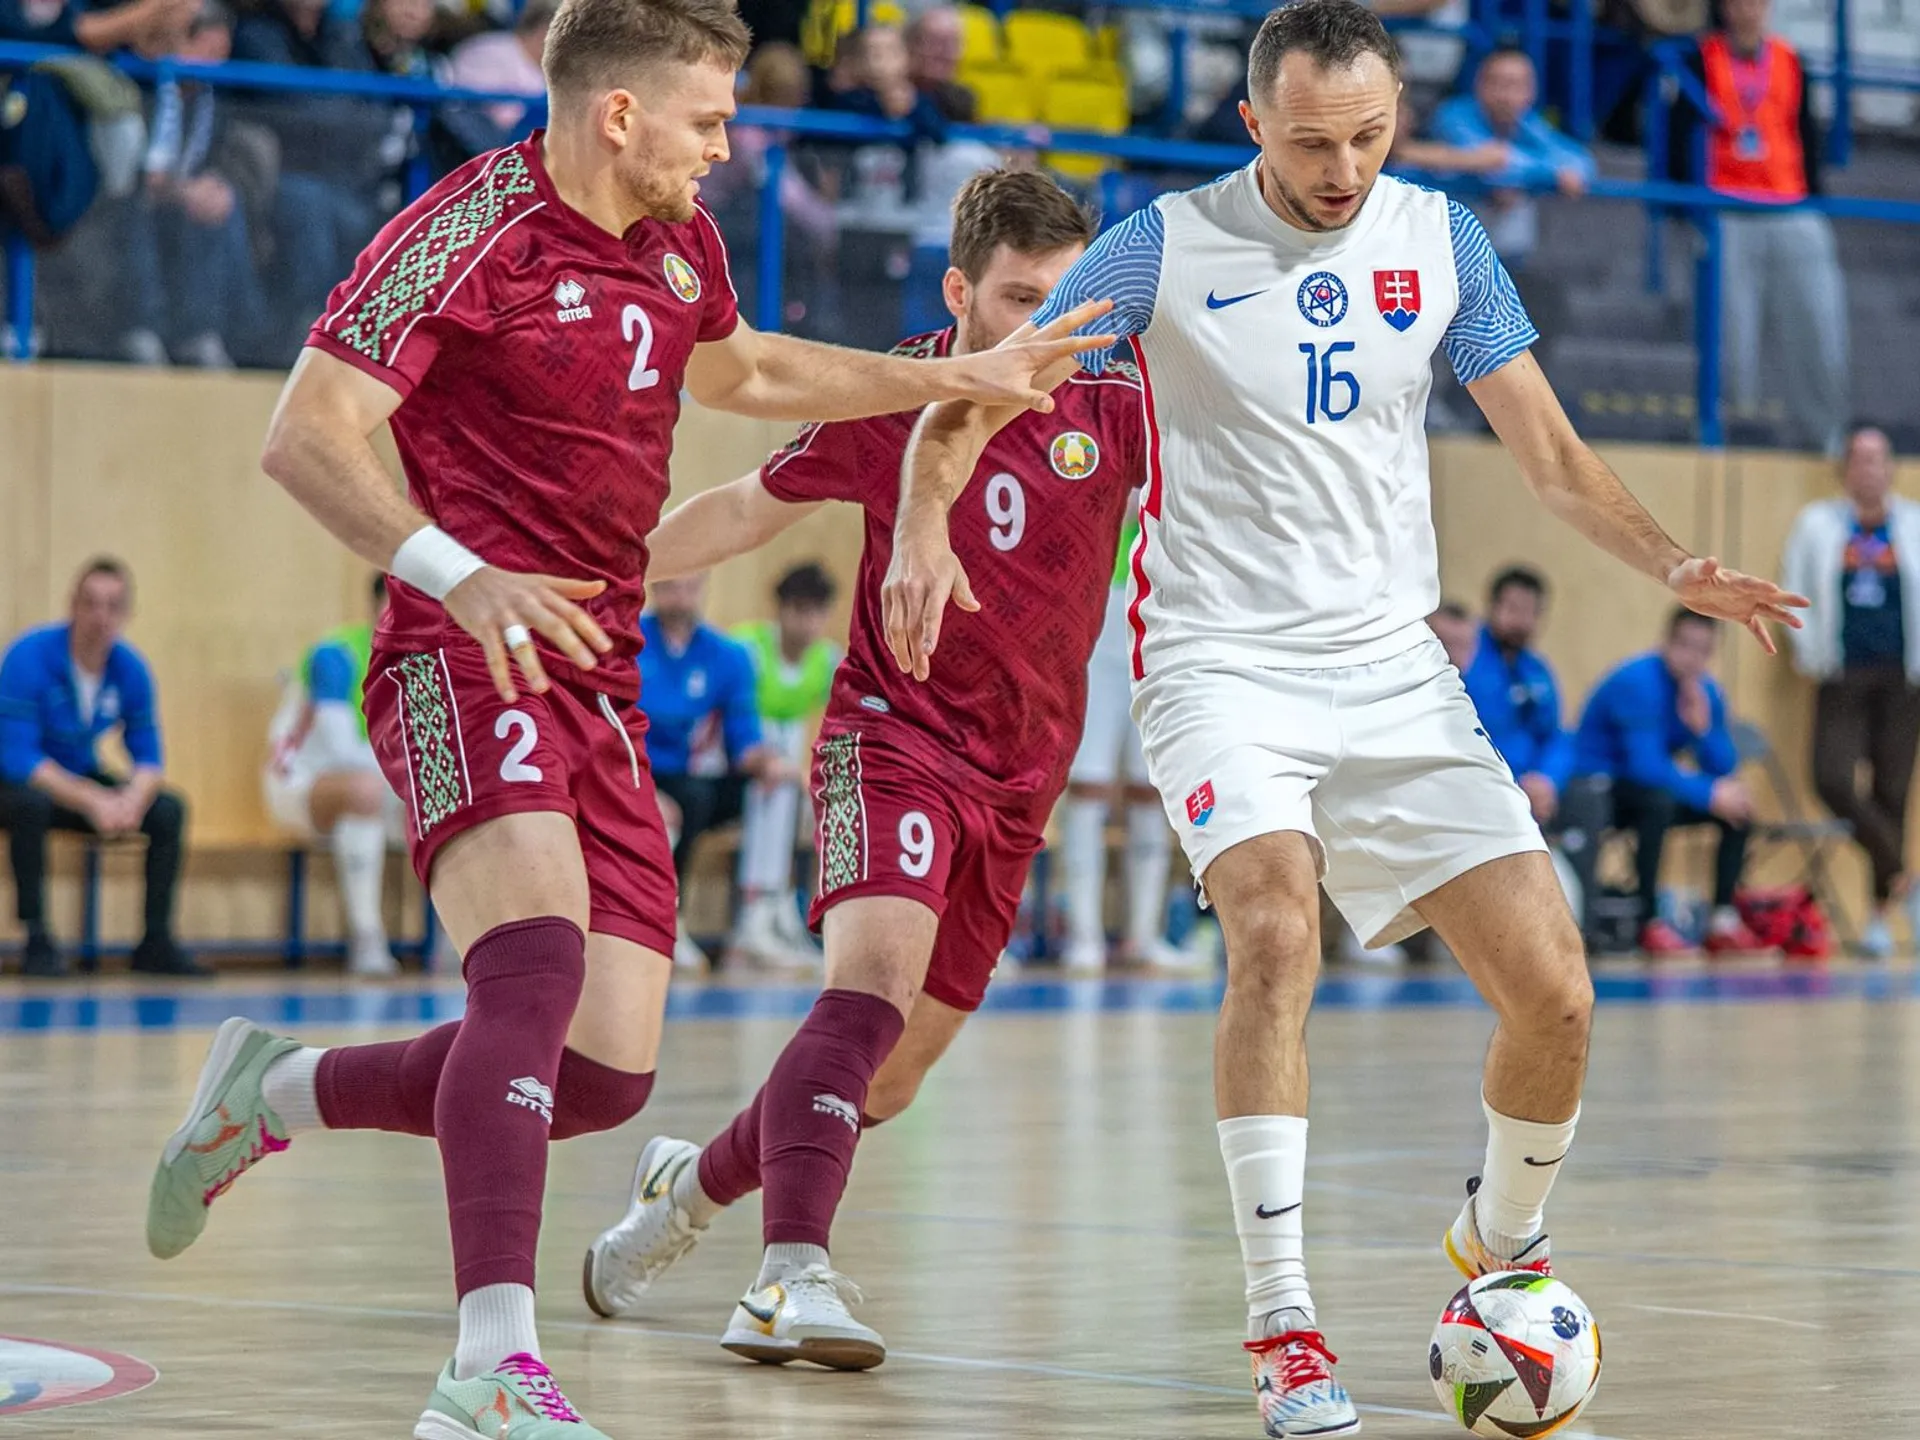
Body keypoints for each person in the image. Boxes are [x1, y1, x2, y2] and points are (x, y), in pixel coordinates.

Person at [138, 0, 1106, 1427]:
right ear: (619, 115)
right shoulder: (468, 228)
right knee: (524, 974)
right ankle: (488, 1364)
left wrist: (953, 376)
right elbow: (307, 433)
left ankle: (273, 1097)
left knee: (594, 1074)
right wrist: (458, 578)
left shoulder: (682, 243)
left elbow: (752, 372)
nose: (729, 144)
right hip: (464, 640)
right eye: (710, 118)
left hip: (597, 671)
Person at [885, 3, 1806, 1432]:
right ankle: (1283, 1326)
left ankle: (1499, 1253)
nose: (1343, 167)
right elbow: (980, 397)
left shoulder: (1441, 240)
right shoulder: (1160, 246)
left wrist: (1674, 561)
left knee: (1557, 988)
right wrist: (920, 532)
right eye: (1312, 140)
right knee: (1270, 928)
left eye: (1370, 137)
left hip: (1390, 667)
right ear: (1255, 123)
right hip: (1220, 660)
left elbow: (1552, 459)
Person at [579, 168, 1141, 1369]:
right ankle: (789, 1277)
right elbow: (742, 508)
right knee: (870, 985)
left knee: (887, 1082)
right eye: (1019, 298)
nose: (1044, 325)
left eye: (1067, 296)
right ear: (960, 292)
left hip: (1023, 776)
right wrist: (593, 567)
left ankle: (686, 1191)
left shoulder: (1118, 395)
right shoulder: (902, 391)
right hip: (891, 733)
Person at [0, 558, 206, 979]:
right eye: (91, 603)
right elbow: (18, 758)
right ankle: (37, 940)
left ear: (127, 613)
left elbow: (148, 756)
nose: (100, 616)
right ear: (72, 605)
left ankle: (155, 941)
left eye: (113, 606)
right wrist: (93, 799)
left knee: (167, 810)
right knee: (29, 806)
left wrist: (131, 800)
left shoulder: (129, 669)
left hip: (77, 777)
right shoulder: (28, 657)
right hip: (17, 783)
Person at [1668, 0, 1847, 454]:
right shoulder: (1697, 58)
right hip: (1725, 208)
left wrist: (1813, 196)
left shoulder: (1791, 60)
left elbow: (1805, 133)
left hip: (1791, 205)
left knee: (1819, 324)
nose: (1749, 9)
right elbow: (1677, 136)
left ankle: (1826, 435)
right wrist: (1689, 209)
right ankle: (1723, 432)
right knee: (1730, 335)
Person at [1781, 426, 1920, 957]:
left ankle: (1881, 917)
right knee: (1832, 778)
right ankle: (1903, 874)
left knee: (1893, 791)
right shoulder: (1818, 524)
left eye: (1878, 459)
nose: (1869, 469)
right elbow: (1793, 587)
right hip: (1839, 673)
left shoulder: (1910, 524)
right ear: (1844, 468)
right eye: (1859, 460)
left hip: (1901, 676)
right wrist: (1803, 651)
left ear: (1891, 468)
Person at [1564, 609, 1764, 958]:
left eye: (1703, 650)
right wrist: (1709, 793)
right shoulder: (1636, 682)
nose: (1692, 658)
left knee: (1738, 810)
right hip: (1601, 787)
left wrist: (1703, 732)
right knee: (1658, 803)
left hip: (1650, 789)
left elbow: (1723, 767)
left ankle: (1723, 920)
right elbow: (1645, 767)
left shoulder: (1706, 693)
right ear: (1667, 642)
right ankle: (1649, 920)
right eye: (1685, 646)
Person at [1059, 511, 1188, 973]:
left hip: (1156, 632)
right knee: (1089, 789)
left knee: (1150, 792)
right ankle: (1084, 938)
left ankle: (1143, 937)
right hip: (1099, 633)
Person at [638, 573, 781, 970]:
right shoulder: (631, 641)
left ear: (702, 587)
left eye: (688, 586)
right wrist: (643, 788)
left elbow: (743, 734)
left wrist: (768, 762)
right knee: (687, 802)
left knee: (773, 790)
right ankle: (667, 919)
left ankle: (763, 920)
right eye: (670, 586)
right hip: (634, 769)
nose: (679, 596)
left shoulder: (727, 654)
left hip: (688, 776)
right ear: (655, 590)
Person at [264, 574, 404, 977]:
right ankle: (367, 936)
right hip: (297, 782)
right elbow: (343, 754)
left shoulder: (427, 664)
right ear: (379, 607)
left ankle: (458, 943)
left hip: (376, 782)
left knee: (450, 802)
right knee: (364, 791)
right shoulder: (336, 656)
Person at [728, 562, 840, 969]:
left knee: (818, 795)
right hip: (733, 764)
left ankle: (789, 910)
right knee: (774, 785)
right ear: (781, 610)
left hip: (784, 767)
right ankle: (756, 911)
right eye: (800, 610)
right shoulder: (746, 648)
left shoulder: (827, 662)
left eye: (817, 612)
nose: (808, 622)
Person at [1429, 47, 1595, 273]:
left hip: (1501, 253)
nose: (1505, 95)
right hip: (1444, 252)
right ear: (1479, 84)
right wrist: (1550, 173)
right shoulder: (1452, 115)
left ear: (1531, 92)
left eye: (1516, 85)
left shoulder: (1528, 123)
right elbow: (1495, 160)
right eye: (1497, 83)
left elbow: (1581, 162)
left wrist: (1525, 172)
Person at [1462, 565, 1571, 828]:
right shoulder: (1465, 658)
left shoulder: (1538, 670)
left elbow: (1556, 736)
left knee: (1587, 798)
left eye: (1530, 612)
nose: (1521, 621)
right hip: (1482, 783)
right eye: (1513, 609)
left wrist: (1546, 780)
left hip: (1531, 790)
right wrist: (1513, 782)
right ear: (1492, 606)